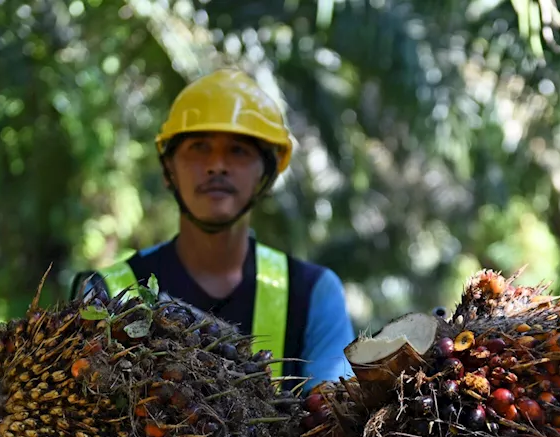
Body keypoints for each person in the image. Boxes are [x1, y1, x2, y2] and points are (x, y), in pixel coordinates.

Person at [73, 67, 355, 391]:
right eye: (199, 147)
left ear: (268, 176)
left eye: (238, 150)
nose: (217, 165)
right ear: (168, 170)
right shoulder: (106, 292)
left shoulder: (315, 294)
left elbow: (334, 417)